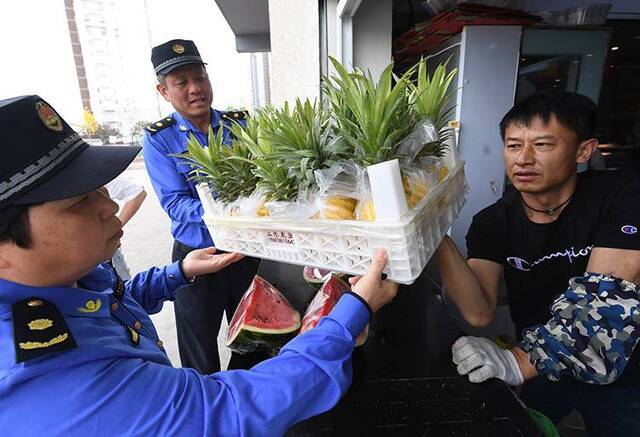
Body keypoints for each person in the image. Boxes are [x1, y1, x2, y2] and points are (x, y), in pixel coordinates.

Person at [0, 95, 399, 435]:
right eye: (77, 202)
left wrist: (179, 273)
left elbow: (108, 303)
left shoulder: (65, 277)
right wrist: (350, 314)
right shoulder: (48, 375)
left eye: (99, 190)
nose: (109, 206)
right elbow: (227, 412)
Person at [436, 91, 640, 435]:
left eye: (542, 145)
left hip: (623, 371)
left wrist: (517, 361)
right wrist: (433, 232)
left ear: (583, 151)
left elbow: (605, 301)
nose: (523, 159)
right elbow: (479, 312)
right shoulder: (493, 222)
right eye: (513, 146)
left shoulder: (623, 194)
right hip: (547, 370)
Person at [142, 39, 260, 374]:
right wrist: (229, 213)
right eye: (182, 83)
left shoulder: (241, 124)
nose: (196, 89)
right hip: (196, 256)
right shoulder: (159, 138)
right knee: (199, 350)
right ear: (164, 91)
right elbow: (176, 204)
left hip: (245, 250)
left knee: (254, 338)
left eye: (201, 78)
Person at [105, 175, 147, 279]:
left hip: (105, 255)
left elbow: (137, 193)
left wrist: (114, 228)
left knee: (123, 289)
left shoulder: (94, 171)